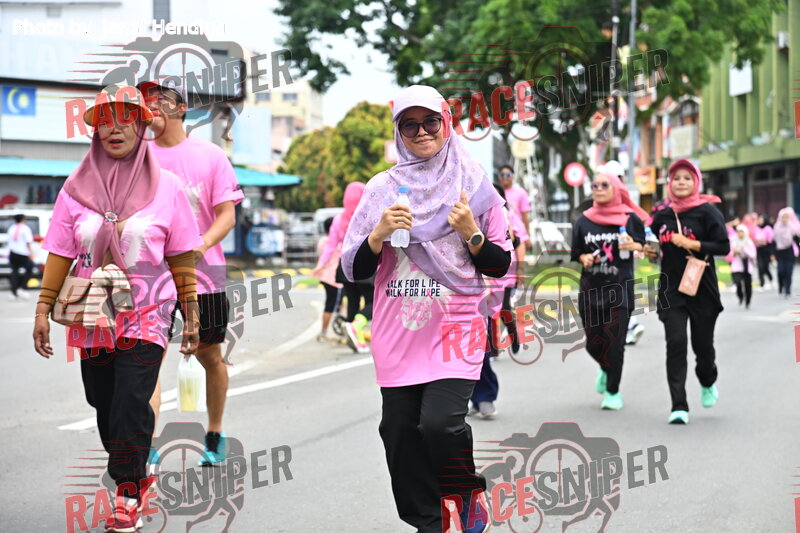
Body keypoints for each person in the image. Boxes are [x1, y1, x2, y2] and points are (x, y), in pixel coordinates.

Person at [341, 85, 512, 533]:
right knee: (398, 432)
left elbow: (500, 263)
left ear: (446, 123)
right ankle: (429, 522)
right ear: (398, 131)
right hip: (399, 332)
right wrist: (377, 234)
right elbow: (352, 270)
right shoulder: (381, 190)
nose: (421, 132)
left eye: (430, 121)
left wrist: (471, 232)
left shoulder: (474, 184)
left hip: (457, 327)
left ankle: (465, 493)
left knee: (440, 425)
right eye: (409, 125)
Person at [32, 84, 202, 532]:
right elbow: (59, 252)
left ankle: (127, 495)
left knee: (130, 400)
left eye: (125, 118)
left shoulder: (167, 188)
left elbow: (181, 256)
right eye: (104, 120)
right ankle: (136, 473)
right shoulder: (75, 189)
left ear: (142, 126)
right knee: (103, 402)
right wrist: (42, 310)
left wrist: (192, 312)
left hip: (148, 313)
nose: (114, 128)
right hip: (92, 315)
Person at [140, 80, 244, 466]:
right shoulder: (138, 157)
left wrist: (199, 246)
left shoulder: (210, 155)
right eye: (147, 103)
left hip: (205, 275)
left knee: (209, 354)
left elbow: (227, 215)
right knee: (146, 358)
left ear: (181, 109)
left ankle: (214, 434)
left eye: (160, 102)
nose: (151, 108)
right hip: (150, 278)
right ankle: (146, 445)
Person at [644, 158, 729, 425]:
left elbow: (723, 246)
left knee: (702, 347)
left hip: (702, 289)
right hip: (672, 290)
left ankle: (707, 380)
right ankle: (678, 405)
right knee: (676, 343)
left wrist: (693, 244)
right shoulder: (662, 215)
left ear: (696, 182)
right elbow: (653, 244)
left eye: (687, 178)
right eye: (676, 178)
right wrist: (649, 251)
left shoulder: (708, 212)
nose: (681, 182)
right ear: (670, 183)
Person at [571, 172, 647, 411]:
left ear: (616, 188)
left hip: (620, 290)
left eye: (605, 185)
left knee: (615, 344)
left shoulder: (630, 218)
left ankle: (613, 391)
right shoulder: (583, 220)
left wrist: (635, 245)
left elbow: (647, 245)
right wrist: (583, 258)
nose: (599, 189)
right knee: (593, 344)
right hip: (590, 291)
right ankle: (606, 367)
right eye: (595, 185)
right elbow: (576, 252)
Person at [319, 181, 371, 353]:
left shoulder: (338, 220)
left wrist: (321, 264)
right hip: (365, 264)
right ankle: (356, 326)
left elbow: (331, 246)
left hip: (344, 265)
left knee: (353, 303)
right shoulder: (369, 214)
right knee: (373, 302)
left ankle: (355, 338)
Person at [600, 160, 646, 346]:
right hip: (601, 270)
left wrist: (635, 245)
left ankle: (630, 326)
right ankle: (628, 327)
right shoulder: (595, 209)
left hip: (622, 268)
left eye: (618, 179)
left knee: (622, 302)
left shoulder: (630, 212)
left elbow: (643, 241)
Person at [312, 217, 343, 341]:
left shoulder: (322, 241)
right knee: (335, 305)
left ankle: (327, 331)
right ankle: (329, 332)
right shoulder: (336, 243)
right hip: (334, 278)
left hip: (325, 277)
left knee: (331, 304)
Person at [498, 164, 532, 249]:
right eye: (502, 175)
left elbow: (525, 216)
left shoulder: (521, 192)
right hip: (502, 232)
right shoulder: (496, 192)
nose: (505, 177)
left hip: (518, 232)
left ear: (513, 176)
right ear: (499, 177)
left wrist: (526, 235)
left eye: (508, 175)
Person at [773, 207, 800, 299]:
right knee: (781, 271)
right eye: (783, 217)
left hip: (789, 251)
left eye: (786, 217)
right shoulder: (777, 227)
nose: (785, 219)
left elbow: (797, 238)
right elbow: (774, 241)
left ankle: (788, 290)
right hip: (780, 251)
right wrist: (772, 254)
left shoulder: (792, 226)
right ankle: (781, 285)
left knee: (788, 271)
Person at [727, 225, 756, 308]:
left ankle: (748, 301)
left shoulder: (749, 242)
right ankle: (740, 296)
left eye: (742, 232)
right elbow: (729, 254)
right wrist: (735, 252)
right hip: (737, 265)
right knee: (737, 282)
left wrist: (744, 249)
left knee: (747, 285)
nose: (740, 234)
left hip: (747, 266)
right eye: (739, 232)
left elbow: (753, 255)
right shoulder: (733, 241)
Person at [7, 213, 34, 300]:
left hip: (13, 253)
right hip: (23, 253)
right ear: (22, 219)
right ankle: (22, 287)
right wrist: (31, 253)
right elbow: (28, 242)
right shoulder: (25, 228)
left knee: (14, 272)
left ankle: (14, 292)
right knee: (30, 269)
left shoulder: (11, 228)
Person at [754, 214, 774, 290]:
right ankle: (762, 284)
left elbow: (770, 241)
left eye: (761, 220)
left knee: (765, 267)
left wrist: (772, 254)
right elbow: (755, 238)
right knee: (760, 267)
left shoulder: (768, 228)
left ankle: (771, 279)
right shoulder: (757, 228)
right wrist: (758, 241)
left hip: (766, 250)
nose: (759, 221)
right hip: (759, 250)